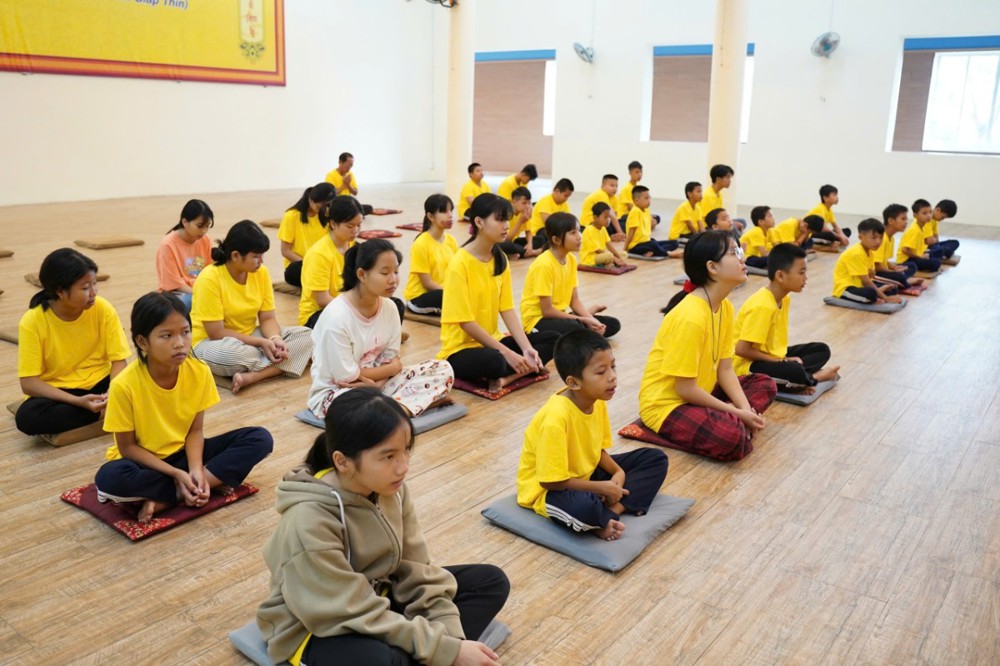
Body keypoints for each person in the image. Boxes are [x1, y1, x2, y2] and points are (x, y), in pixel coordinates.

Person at [258, 389, 509, 666]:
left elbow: (416, 569)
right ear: (342, 461)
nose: (403, 467)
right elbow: (345, 609)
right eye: (388, 456)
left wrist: (452, 643)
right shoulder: (308, 519)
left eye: (406, 450)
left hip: (378, 596)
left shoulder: (391, 488)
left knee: (490, 582)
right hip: (318, 623)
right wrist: (442, 650)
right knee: (384, 661)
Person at [94, 293, 273, 522]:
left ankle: (175, 494)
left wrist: (196, 469)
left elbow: (195, 431)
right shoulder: (123, 385)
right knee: (109, 478)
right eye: (167, 335)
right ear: (142, 342)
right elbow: (128, 447)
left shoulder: (199, 371)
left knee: (259, 438)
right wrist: (176, 473)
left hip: (185, 455)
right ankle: (205, 482)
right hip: (144, 463)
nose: (180, 343)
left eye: (185, 332)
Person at [517, 329, 668, 540]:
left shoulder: (596, 400)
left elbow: (597, 451)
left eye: (613, 366)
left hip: (585, 474)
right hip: (550, 490)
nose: (612, 377)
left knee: (655, 459)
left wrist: (618, 473)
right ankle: (599, 516)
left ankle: (610, 513)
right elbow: (550, 482)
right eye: (601, 372)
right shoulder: (555, 419)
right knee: (583, 507)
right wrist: (600, 487)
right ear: (573, 382)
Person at [639, 231, 777, 461]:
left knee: (765, 384)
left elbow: (725, 369)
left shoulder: (725, 306)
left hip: (703, 389)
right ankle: (730, 422)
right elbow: (685, 389)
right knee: (732, 437)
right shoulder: (690, 317)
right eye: (734, 253)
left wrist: (744, 409)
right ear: (712, 267)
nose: (743, 258)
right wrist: (736, 411)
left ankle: (727, 418)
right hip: (667, 404)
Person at [308, 239, 454, 419]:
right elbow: (346, 377)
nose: (393, 280)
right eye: (385, 273)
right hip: (340, 391)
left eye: (396, 271)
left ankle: (393, 410)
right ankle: (408, 405)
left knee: (442, 368)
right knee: (353, 408)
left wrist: (378, 384)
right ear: (362, 275)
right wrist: (391, 370)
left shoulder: (390, 307)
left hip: (381, 384)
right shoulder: (336, 317)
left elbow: (390, 358)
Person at [438, 193, 558, 392]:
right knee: (495, 361)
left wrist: (526, 348)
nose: (507, 226)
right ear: (479, 222)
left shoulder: (500, 258)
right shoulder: (459, 264)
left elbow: (507, 309)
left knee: (552, 339)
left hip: (493, 340)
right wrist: (507, 353)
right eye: (500, 219)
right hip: (461, 349)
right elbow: (465, 322)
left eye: (507, 220)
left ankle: (508, 377)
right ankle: (518, 370)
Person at [15, 248, 130, 437]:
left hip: (101, 383)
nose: (93, 292)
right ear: (60, 291)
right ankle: (101, 412)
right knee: (27, 418)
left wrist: (113, 393)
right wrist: (77, 402)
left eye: (94, 284)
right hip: (60, 391)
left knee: (144, 383)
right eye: (85, 288)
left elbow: (119, 361)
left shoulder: (103, 308)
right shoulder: (33, 321)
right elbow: (29, 383)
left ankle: (102, 408)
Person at [191, 220, 314, 393]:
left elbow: (268, 318)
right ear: (235, 256)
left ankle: (254, 376)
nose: (261, 261)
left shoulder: (261, 273)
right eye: (256, 256)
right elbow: (215, 332)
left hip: (250, 337)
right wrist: (262, 343)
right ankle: (285, 361)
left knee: (309, 336)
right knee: (240, 355)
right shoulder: (209, 278)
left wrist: (274, 339)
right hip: (212, 343)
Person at [734, 243, 839, 390]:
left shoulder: (784, 298)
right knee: (793, 371)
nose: (806, 278)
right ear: (780, 276)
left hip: (772, 356)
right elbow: (742, 350)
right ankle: (814, 378)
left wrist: (783, 359)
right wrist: (782, 361)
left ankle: (799, 377)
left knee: (821, 350)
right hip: (747, 365)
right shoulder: (763, 305)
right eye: (801, 272)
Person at [520, 212, 621, 338]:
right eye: (573, 233)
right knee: (577, 328)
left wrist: (590, 319)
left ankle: (584, 323)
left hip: (559, 317)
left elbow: (574, 301)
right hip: (538, 320)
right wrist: (582, 319)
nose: (579, 237)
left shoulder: (571, 260)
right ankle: (582, 326)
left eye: (579, 231)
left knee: (612, 324)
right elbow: (547, 311)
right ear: (556, 240)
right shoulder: (544, 264)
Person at [298, 196, 362, 327]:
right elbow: (322, 300)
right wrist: (355, 309)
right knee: (345, 319)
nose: (355, 230)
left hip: (346, 304)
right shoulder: (319, 254)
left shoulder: (354, 246)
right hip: (319, 313)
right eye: (350, 226)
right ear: (333, 224)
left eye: (359, 225)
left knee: (392, 304)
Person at [403, 194, 459, 315]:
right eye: (444, 211)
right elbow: (427, 283)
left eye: (451, 210)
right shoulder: (421, 244)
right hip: (419, 297)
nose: (450, 215)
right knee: (447, 297)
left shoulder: (451, 241)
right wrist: (453, 292)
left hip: (443, 291)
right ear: (430, 216)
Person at [156, 199, 214, 311]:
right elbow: (174, 284)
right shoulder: (168, 245)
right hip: (175, 293)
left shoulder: (205, 240)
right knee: (191, 301)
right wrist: (201, 293)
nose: (204, 231)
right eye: (200, 226)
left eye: (207, 226)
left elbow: (210, 271)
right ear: (185, 222)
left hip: (199, 288)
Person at [278, 183, 337, 287]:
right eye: (321, 205)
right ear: (311, 200)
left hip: (321, 263)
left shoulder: (326, 215)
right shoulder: (291, 216)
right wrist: (309, 263)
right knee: (299, 272)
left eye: (327, 205)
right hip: (300, 264)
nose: (324, 208)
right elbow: (285, 251)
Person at [832, 218, 901, 304]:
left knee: (892, 289)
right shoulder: (856, 253)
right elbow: (866, 281)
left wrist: (870, 273)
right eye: (874, 238)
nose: (878, 242)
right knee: (870, 292)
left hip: (860, 285)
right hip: (846, 289)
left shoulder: (870, 252)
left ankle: (875, 295)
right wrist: (886, 298)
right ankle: (873, 298)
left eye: (881, 237)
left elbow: (869, 276)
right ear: (861, 237)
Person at [624, 186, 682, 258]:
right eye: (646, 198)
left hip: (647, 242)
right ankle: (669, 254)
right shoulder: (635, 212)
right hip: (635, 246)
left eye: (649, 198)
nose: (649, 200)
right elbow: (631, 232)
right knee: (653, 245)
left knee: (674, 243)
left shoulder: (646, 210)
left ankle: (654, 252)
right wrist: (625, 248)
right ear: (636, 201)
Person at [874, 204, 922, 289]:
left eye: (906, 219)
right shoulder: (881, 238)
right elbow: (876, 266)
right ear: (890, 221)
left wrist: (895, 267)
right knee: (899, 277)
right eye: (903, 219)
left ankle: (902, 280)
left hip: (883, 270)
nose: (906, 222)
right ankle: (905, 281)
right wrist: (891, 271)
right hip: (875, 273)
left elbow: (884, 261)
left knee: (912, 266)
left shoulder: (891, 238)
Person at [526, 178, 574, 248]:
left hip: (555, 230)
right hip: (540, 231)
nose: (566, 199)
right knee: (552, 235)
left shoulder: (565, 205)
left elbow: (569, 221)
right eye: (565, 196)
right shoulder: (545, 201)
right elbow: (549, 223)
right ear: (557, 191)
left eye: (568, 197)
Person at [896, 206, 942, 274]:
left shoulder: (922, 227)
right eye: (924, 213)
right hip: (906, 260)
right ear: (915, 215)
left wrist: (923, 254)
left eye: (930, 212)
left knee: (939, 252)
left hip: (916, 255)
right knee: (936, 263)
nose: (929, 215)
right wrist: (920, 257)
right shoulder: (915, 230)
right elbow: (905, 250)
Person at [580, 202, 628, 267]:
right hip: (590, 259)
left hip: (602, 255)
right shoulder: (589, 230)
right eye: (605, 217)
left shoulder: (603, 229)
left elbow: (609, 246)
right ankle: (609, 262)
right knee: (609, 255)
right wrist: (614, 258)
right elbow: (597, 250)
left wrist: (619, 257)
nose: (608, 220)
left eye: (609, 217)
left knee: (624, 254)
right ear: (595, 217)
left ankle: (609, 262)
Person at [501, 186, 540, 258]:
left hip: (514, 241)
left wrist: (529, 244)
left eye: (529, 203)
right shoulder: (506, 213)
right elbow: (506, 239)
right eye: (524, 203)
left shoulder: (523, 213)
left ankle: (521, 252)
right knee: (507, 246)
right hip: (503, 241)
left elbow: (528, 231)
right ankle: (533, 252)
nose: (527, 206)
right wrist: (520, 222)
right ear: (514, 202)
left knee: (539, 239)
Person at [701, 165, 740, 232]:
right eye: (727, 177)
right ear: (718, 179)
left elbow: (721, 214)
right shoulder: (707, 196)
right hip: (709, 226)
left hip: (717, 221)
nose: (730, 181)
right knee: (733, 226)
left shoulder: (718, 194)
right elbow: (707, 219)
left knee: (741, 221)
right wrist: (729, 223)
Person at [740, 206, 775, 270]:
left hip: (756, 257)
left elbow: (777, 247)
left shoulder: (769, 231)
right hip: (747, 258)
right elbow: (764, 254)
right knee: (769, 259)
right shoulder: (757, 231)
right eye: (770, 216)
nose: (773, 219)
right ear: (761, 222)